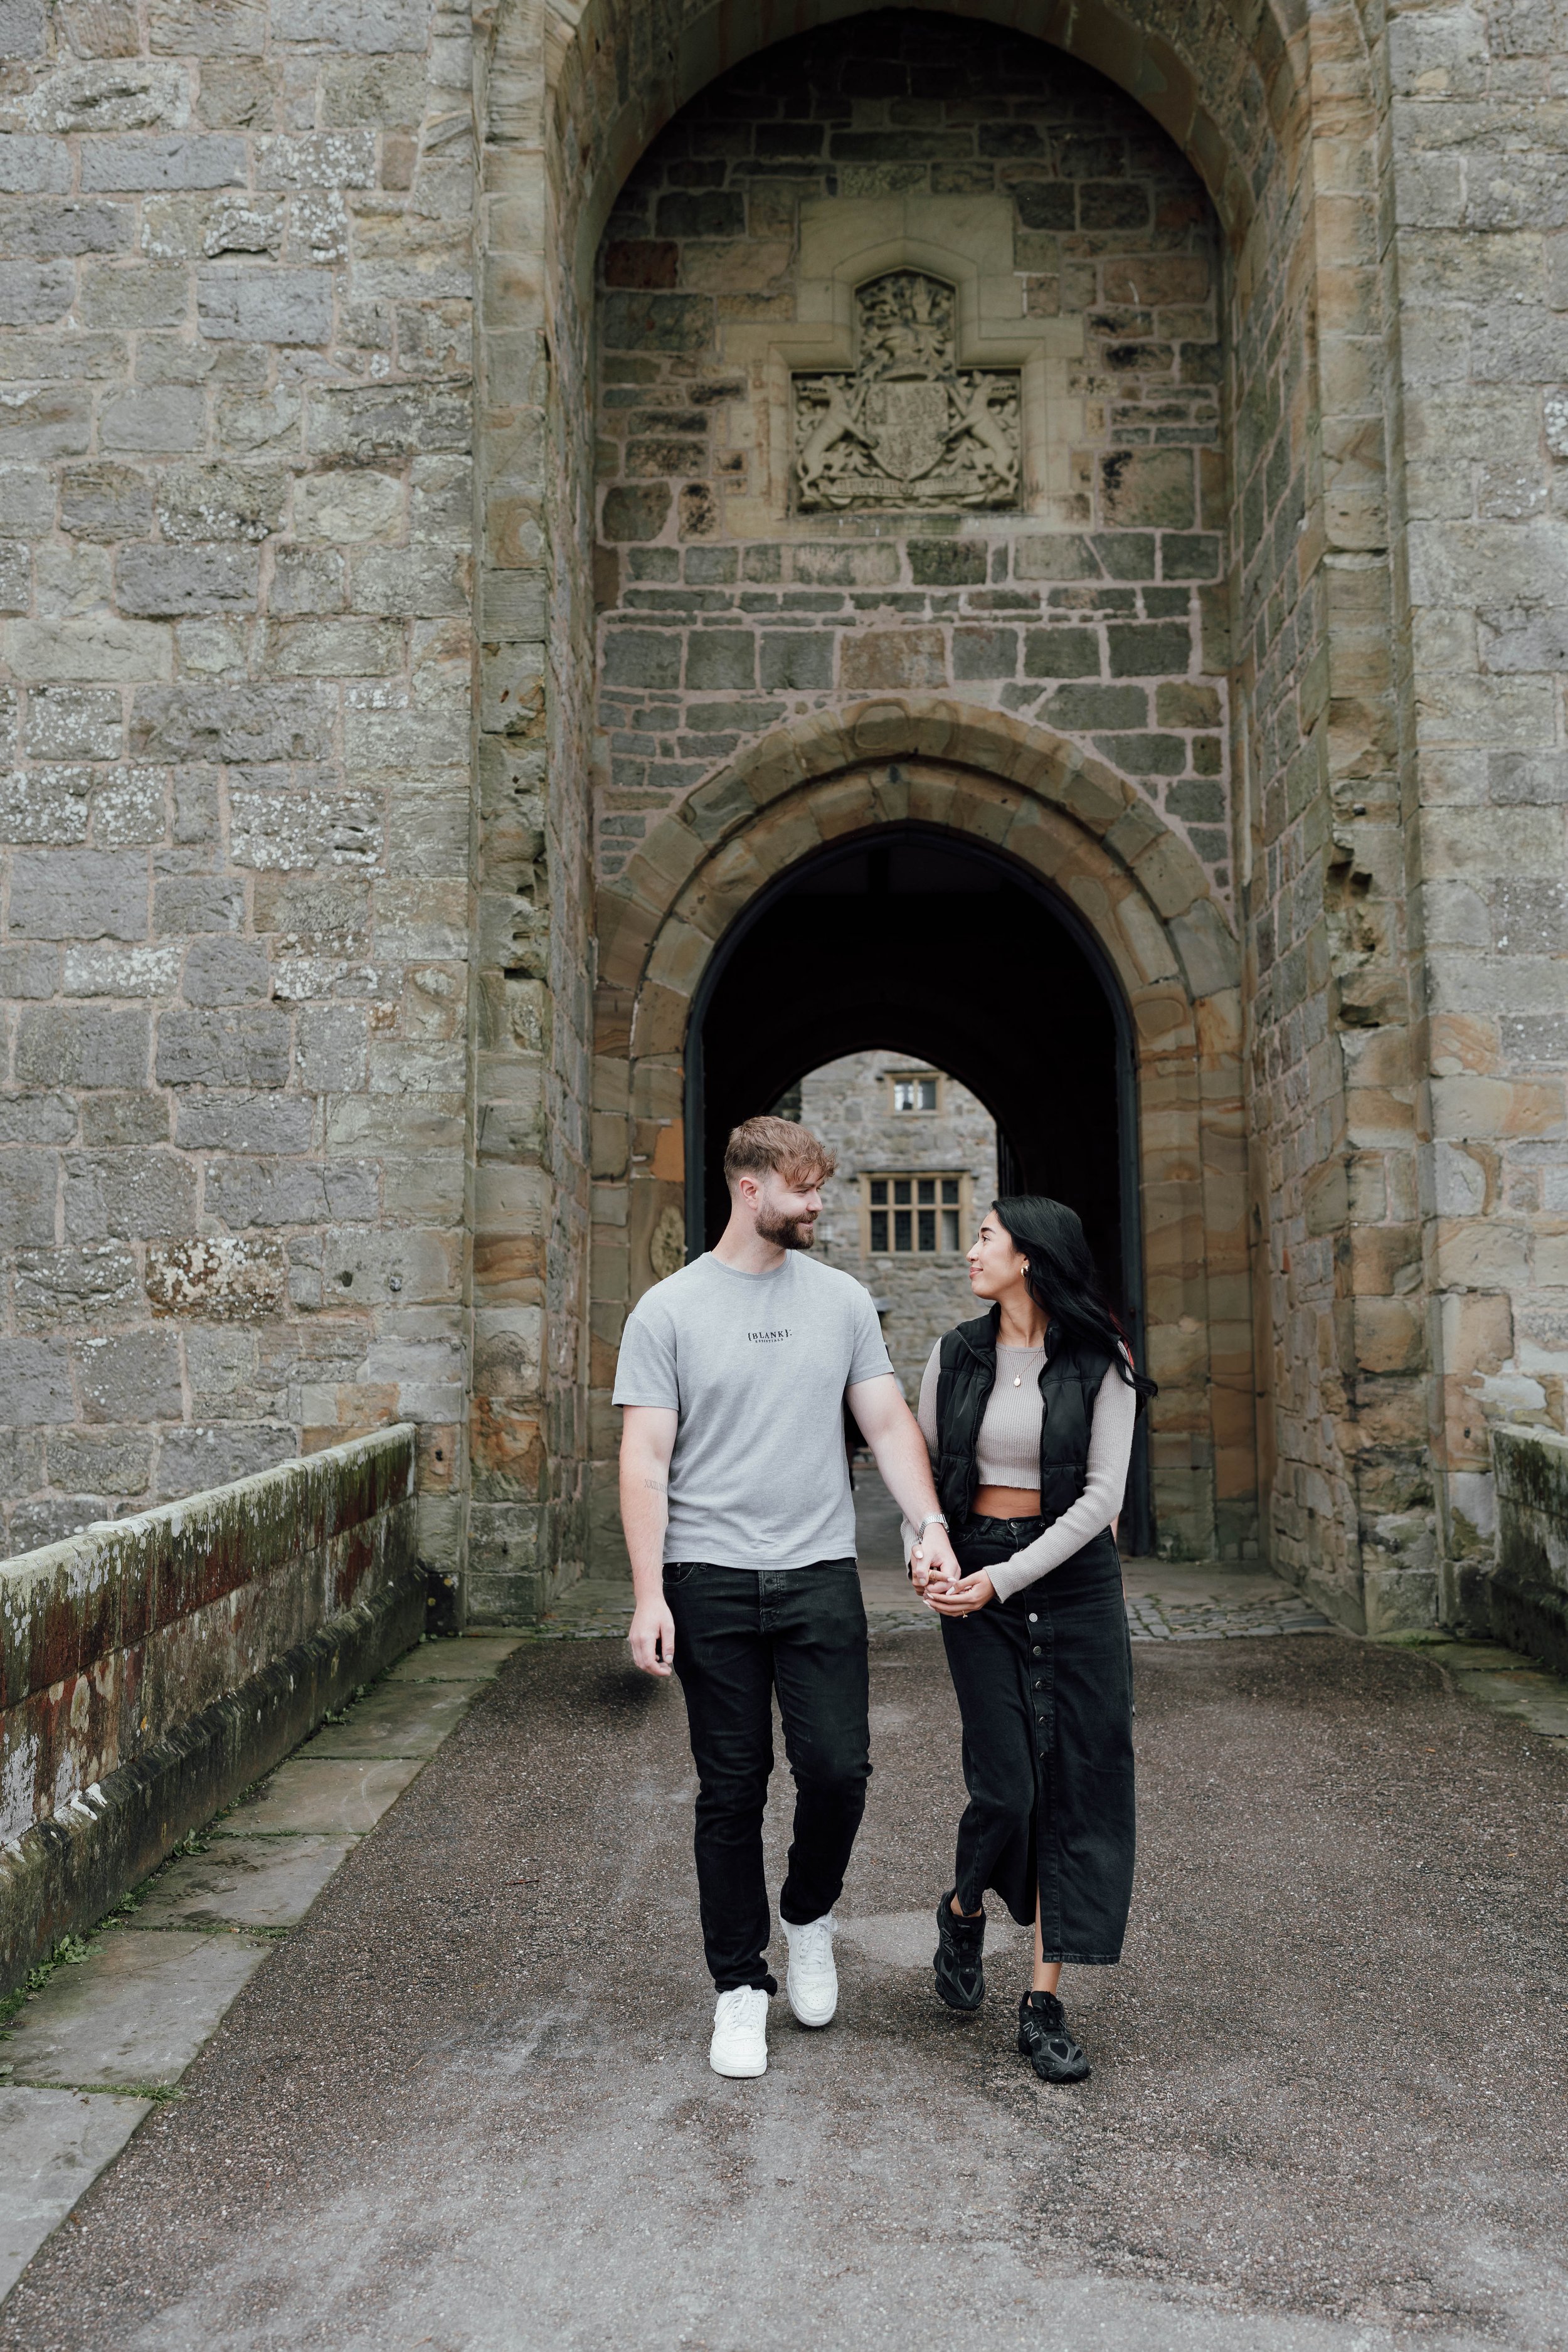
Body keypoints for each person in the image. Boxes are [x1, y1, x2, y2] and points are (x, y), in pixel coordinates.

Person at [616, 1115, 962, 2080]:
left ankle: (807, 1911)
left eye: (823, 1187)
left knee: (838, 1770)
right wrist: (650, 1593)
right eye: (805, 1188)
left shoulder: (843, 1301)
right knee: (731, 1788)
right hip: (707, 1575)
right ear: (751, 1188)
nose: (819, 1204)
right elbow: (645, 1460)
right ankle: (739, 1985)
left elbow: (888, 1425)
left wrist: (929, 1524)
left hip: (818, 1571)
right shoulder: (669, 1310)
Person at [911, 1196, 1157, 2084]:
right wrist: (928, 1556)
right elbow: (928, 1481)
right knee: (1007, 1787)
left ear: (1029, 1256)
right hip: (976, 1578)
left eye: (984, 1235)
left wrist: (1005, 1576)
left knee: (1077, 1786)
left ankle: (1043, 2002)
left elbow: (1101, 1502)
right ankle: (962, 1907)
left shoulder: (1103, 1362)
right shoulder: (956, 1353)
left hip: (1073, 1583)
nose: (970, 1249)